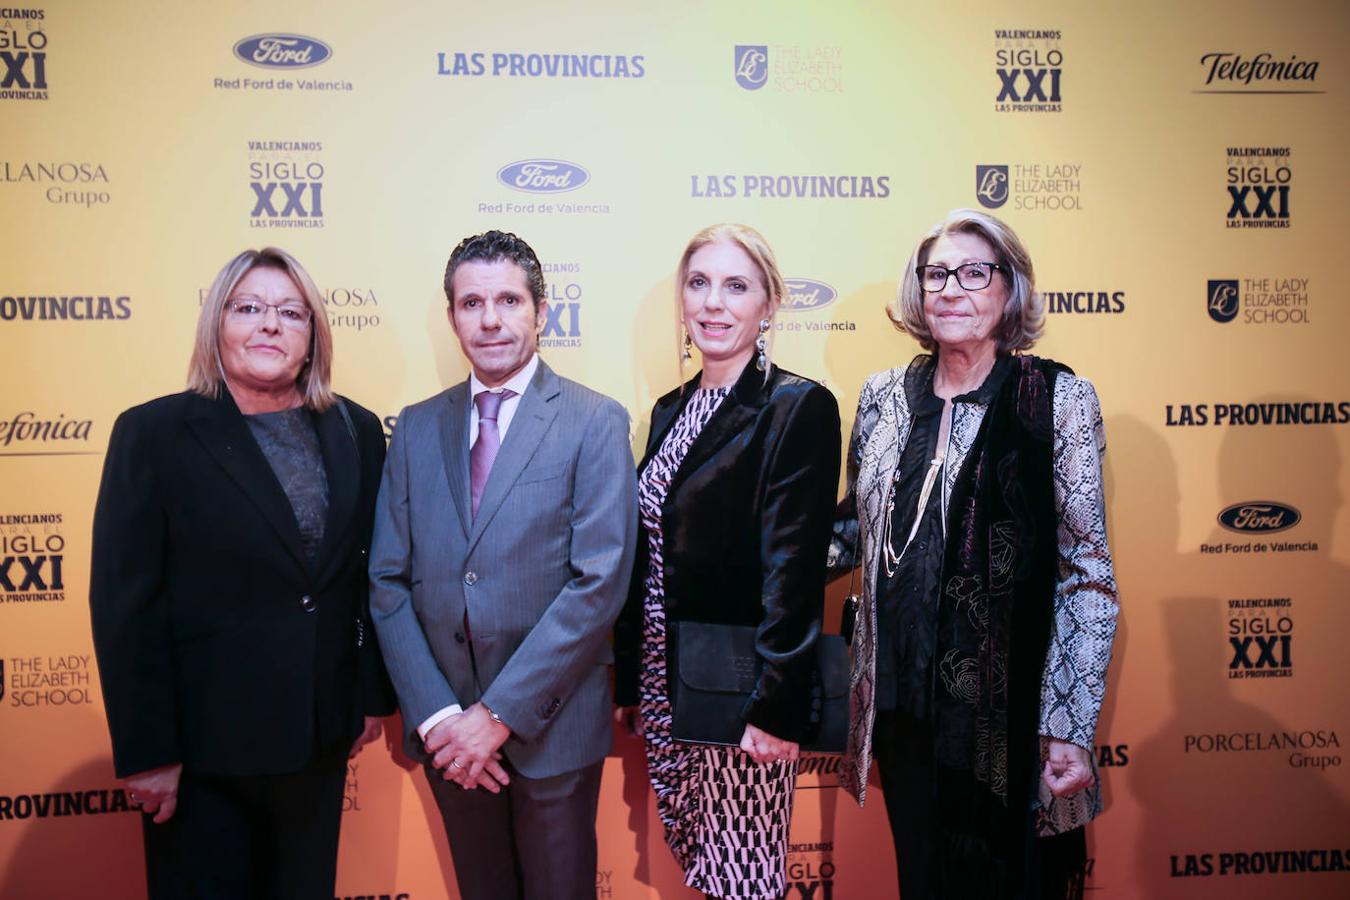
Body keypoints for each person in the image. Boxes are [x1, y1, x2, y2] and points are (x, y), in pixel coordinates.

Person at [831, 208, 1119, 899]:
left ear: (1009, 289)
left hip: (1009, 723)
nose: (952, 289)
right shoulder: (882, 399)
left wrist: (1069, 725)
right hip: (902, 713)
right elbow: (853, 534)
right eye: (937, 274)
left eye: (974, 272)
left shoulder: (1057, 399)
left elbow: (1088, 573)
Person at [89, 247, 395, 899]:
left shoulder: (358, 431)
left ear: (313, 335)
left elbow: (367, 578)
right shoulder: (153, 434)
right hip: (201, 754)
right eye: (248, 308)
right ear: (216, 325)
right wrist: (148, 751)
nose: (269, 325)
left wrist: (368, 697)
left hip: (316, 740)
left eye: (290, 312)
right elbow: (125, 604)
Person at [368, 230, 637, 900]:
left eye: (509, 300)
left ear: (541, 311)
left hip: (551, 729)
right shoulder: (415, 427)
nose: (490, 319)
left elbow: (599, 583)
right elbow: (387, 581)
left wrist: (496, 717)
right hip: (449, 738)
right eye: (471, 303)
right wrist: (438, 721)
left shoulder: (594, 421)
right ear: (452, 314)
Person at [613, 223, 841, 900]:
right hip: (665, 685)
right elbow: (647, 556)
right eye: (699, 283)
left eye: (736, 286)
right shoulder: (670, 410)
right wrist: (632, 681)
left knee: (742, 881)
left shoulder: (795, 407)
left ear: (769, 304)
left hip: (742, 691)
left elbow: (793, 570)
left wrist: (774, 708)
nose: (714, 302)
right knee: (705, 870)